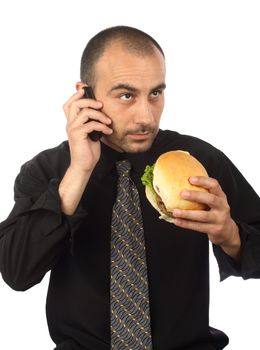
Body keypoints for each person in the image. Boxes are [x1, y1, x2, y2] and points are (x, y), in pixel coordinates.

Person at [0, 25, 260, 350]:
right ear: (86, 95)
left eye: (155, 93)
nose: (146, 117)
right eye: (127, 95)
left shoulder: (198, 161)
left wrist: (231, 237)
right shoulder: (47, 170)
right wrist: (79, 170)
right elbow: (17, 272)